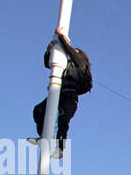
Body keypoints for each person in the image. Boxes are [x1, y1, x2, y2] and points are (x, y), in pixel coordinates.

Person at [31, 28, 91, 158]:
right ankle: (43, 137)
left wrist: (62, 38)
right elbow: (48, 64)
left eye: (75, 54)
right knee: (39, 110)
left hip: (70, 95)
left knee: (63, 118)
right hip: (57, 92)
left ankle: (60, 148)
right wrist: (49, 50)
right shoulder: (66, 65)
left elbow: (70, 51)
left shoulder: (81, 65)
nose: (71, 56)